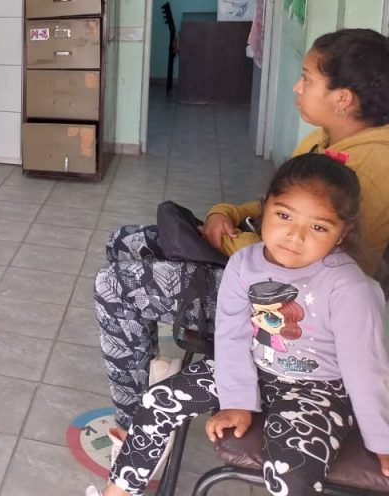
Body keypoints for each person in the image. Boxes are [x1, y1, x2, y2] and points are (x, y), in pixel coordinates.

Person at [95, 28, 389, 437]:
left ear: (343, 99)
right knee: (125, 241)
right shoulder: (323, 139)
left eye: (307, 77)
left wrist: (233, 238)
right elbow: (279, 202)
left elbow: (303, 258)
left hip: (287, 307)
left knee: (115, 286)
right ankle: (154, 366)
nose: (296, 85)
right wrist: (225, 213)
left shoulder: (374, 167)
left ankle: (134, 430)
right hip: (255, 265)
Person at [86, 153, 389, 496]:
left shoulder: (349, 287)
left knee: (290, 471)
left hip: (317, 389)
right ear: (264, 208)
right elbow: (231, 335)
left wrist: (381, 439)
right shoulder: (245, 264)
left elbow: (366, 369)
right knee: (157, 401)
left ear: (342, 232)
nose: (295, 235)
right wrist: (238, 401)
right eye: (284, 215)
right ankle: (120, 491)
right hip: (252, 366)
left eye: (318, 227)